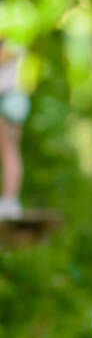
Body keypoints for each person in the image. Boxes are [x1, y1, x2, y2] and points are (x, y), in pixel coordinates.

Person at [0, 38, 30, 221]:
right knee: (10, 151)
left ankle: (10, 202)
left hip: (8, 96)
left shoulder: (12, 40)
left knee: (9, 151)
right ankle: (10, 202)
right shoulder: (21, 38)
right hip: (16, 97)